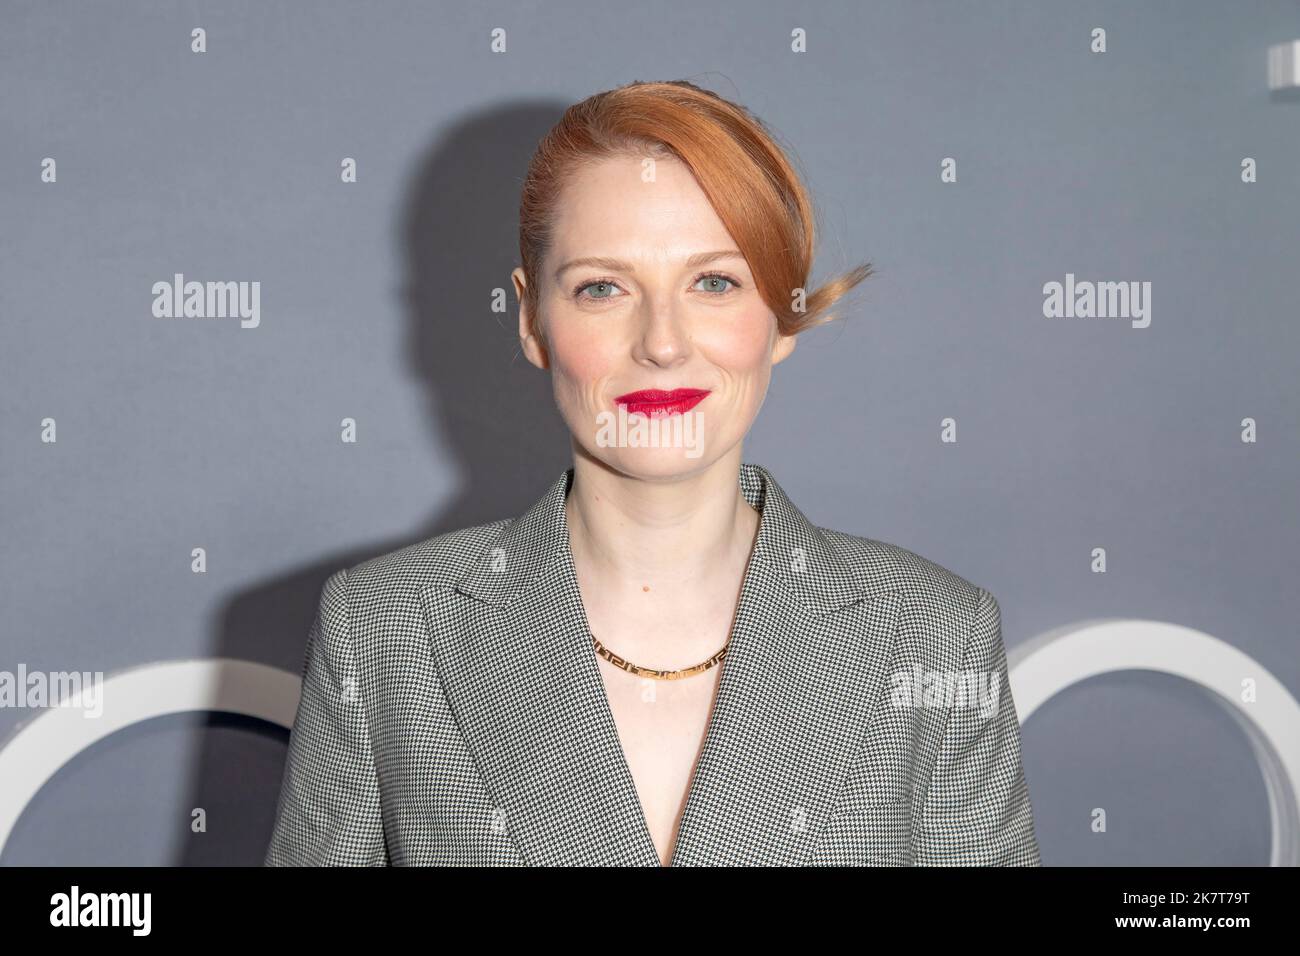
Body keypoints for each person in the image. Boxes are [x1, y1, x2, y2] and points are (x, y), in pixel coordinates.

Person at [265, 79, 1041, 866]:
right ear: (533, 320)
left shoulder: (936, 635)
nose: (662, 343)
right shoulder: (382, 631)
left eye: (714, 282)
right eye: (603, 287)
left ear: (782, 314)